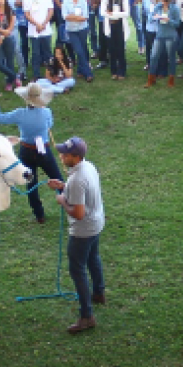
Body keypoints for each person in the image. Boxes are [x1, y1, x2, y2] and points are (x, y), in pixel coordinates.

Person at [47, 136, 105, 335]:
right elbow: (82, 192)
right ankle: (98, 293)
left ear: (76, 157)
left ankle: (87, 317)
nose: (61, 156)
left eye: (65, 153)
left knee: (77, 270)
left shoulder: (76, 179)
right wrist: (64, 187)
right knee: (93, 258)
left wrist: (63, 200)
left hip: (82, 231)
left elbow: (78, 214)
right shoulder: (88, 167)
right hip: (97, 224)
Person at [0, 84, 61, 224]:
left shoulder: (20, 113)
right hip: (44, 150)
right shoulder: (46, 112)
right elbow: (49, 125)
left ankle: (39, 215)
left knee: (31, 182)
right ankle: (70, 206)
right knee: (57, 178)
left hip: (26, 151)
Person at [146, 0, 182, 88]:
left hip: (171, 36)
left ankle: (171, 79)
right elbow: (151, 17)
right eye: (162, 0)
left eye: (165, 1)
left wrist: (168, 20)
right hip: (160, 35)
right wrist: (155, 17)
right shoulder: (158, 6)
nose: (163, 3)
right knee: (153, 56)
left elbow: (177, 24)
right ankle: (151, 77)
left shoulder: (174, 9)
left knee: (171, 57)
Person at [22, 0, 55, 81]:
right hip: (33, 30)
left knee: (47, 53)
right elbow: (27, 14)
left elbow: (50, 11)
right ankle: (36, 75)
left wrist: (44, 23)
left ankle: (50, 73)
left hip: (46, 29)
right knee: (35, 53)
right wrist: (37, 24)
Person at [100, 0, 131, 80]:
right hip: (110, 25)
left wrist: (112, 14)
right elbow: (102, 12)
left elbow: (126, 13)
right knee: (111, 49)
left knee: (120, 49)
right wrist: (110, 14)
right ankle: (113, 71)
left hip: (120, 25)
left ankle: (122, 71)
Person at [61, 0, 93, 80]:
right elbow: (65, 16)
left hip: (83, 29)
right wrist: (77, 17)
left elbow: (85, 17)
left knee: (83, 49)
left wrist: (72, 16)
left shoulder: (83, 2)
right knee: (78, 51)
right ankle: (88, 73)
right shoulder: (66, 2)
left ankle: (80, 70)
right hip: (71, 30)